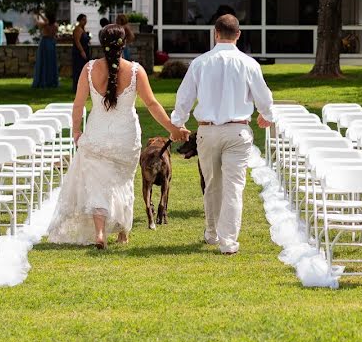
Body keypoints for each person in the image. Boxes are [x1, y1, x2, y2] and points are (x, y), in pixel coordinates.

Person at [47, 24, 186, 249]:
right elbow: (151, 104)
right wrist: (172, 128)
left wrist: (76, 131)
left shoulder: (89, 69)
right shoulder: (135, 71)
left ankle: (100, 232)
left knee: (98, 185)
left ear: (102, 44)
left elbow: (78, 104)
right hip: (126, 137)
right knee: (124, 183)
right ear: (125, 44)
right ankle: (122, 232)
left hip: (97, 135)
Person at [172, 14, 274, 255]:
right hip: (237, 130)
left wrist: (178, 122)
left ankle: (212, 232)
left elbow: (184, 96)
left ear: (215, 33)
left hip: (207, 131)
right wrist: (266, 114)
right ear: (238, 35)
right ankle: (227, 241)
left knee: (213, 184)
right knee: (233, 187)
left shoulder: (200, 62)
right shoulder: (249, 64)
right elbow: (264, 96)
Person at [32, 11, 59, 88]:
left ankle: (43, 81)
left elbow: (38, 23)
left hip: (45, 42)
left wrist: (37, 16)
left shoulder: (44, 25)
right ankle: (52, 81)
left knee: (43, 62)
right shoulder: (55, 25)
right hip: (52, 42)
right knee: (51, 62)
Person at [71, 14, 91, 92]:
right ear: (79, 20)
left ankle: (84, 86)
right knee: (79, 69)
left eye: (85, 19)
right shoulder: (78, 29)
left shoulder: (83, 29)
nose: (85, 21)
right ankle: (77, 87)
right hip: (79, 52)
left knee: (84, 69)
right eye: (83, 20)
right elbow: (77, 41)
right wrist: (82, 51)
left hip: (85, 50)